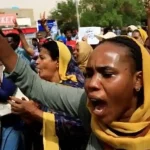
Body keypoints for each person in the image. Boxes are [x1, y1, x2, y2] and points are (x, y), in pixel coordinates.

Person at [1, 35, 150, 149]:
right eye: (89, 74)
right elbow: (33, 84)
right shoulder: (88, 108)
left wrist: (36, 114)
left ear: (138, 80)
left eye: (107, 74)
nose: (92, 84)